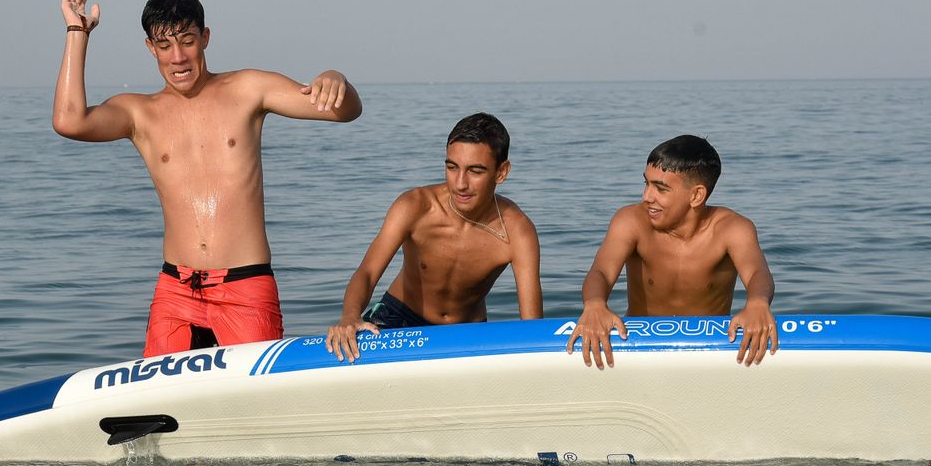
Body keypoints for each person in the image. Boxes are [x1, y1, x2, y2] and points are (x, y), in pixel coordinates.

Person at [52, 0, 362, 356]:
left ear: (206, 38)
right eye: (164, 46)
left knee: (252, 403)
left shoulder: (248, 89)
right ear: (151, 48)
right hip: (175, 290)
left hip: (245, 288)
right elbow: (69, 122)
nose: (178, 57)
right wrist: (77, 32)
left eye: (187, 41)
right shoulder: (139, 113)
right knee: (161, 406)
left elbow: (345, 112)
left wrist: (336, 79)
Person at [324, 113, 542, 362]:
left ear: (501, 172)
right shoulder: (415, 207)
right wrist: (351, 316)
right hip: (398, 317)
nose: (460, 184)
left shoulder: (518, 232)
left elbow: (532, 325)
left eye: (475, 171)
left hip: (467, 331)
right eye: (452, 167)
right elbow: (367, 272)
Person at [566, 134, 777, 370]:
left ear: (696, 195)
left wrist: (757, 304)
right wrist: (595, 305)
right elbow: (601, 271)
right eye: (646, 183)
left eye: (661, 189)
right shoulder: (631, 221)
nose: (647, 197)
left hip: (708, 348)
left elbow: (758, 272)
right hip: (640, 344)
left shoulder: (732, 229)